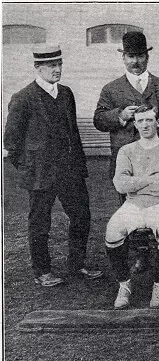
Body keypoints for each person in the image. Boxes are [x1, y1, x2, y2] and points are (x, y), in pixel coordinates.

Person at [4, 44, 103, 287]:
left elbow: (74, 133)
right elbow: (11, 142)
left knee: (81, 217)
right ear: (37, 68)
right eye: (51, 66)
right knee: (40, 224)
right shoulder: (23, 98)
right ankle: (42, 270)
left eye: (59, 64)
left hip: (70, 172)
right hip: (40, 174)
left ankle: (77, 264)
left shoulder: (66, 94)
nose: (57, 69)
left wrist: (78, 166)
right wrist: (31, 167)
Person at [105, 104, 159, 309]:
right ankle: (124, 284)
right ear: (135, 125)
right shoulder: (126, 150)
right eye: (140, 121)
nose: (145, 125)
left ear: (158, 122)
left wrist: (136, 182)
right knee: (112, 232)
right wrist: (152, 178)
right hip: (133, 204)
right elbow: (120, 184)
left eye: (149, 120)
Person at [94, 31, 159, 182]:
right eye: (131, 56)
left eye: (140, 56)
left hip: (158, 162)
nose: (135, 61)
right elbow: (98, 120)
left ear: (147, 57)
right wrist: (120, 116)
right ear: (123, 58)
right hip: (126, 163)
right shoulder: (111, 89)